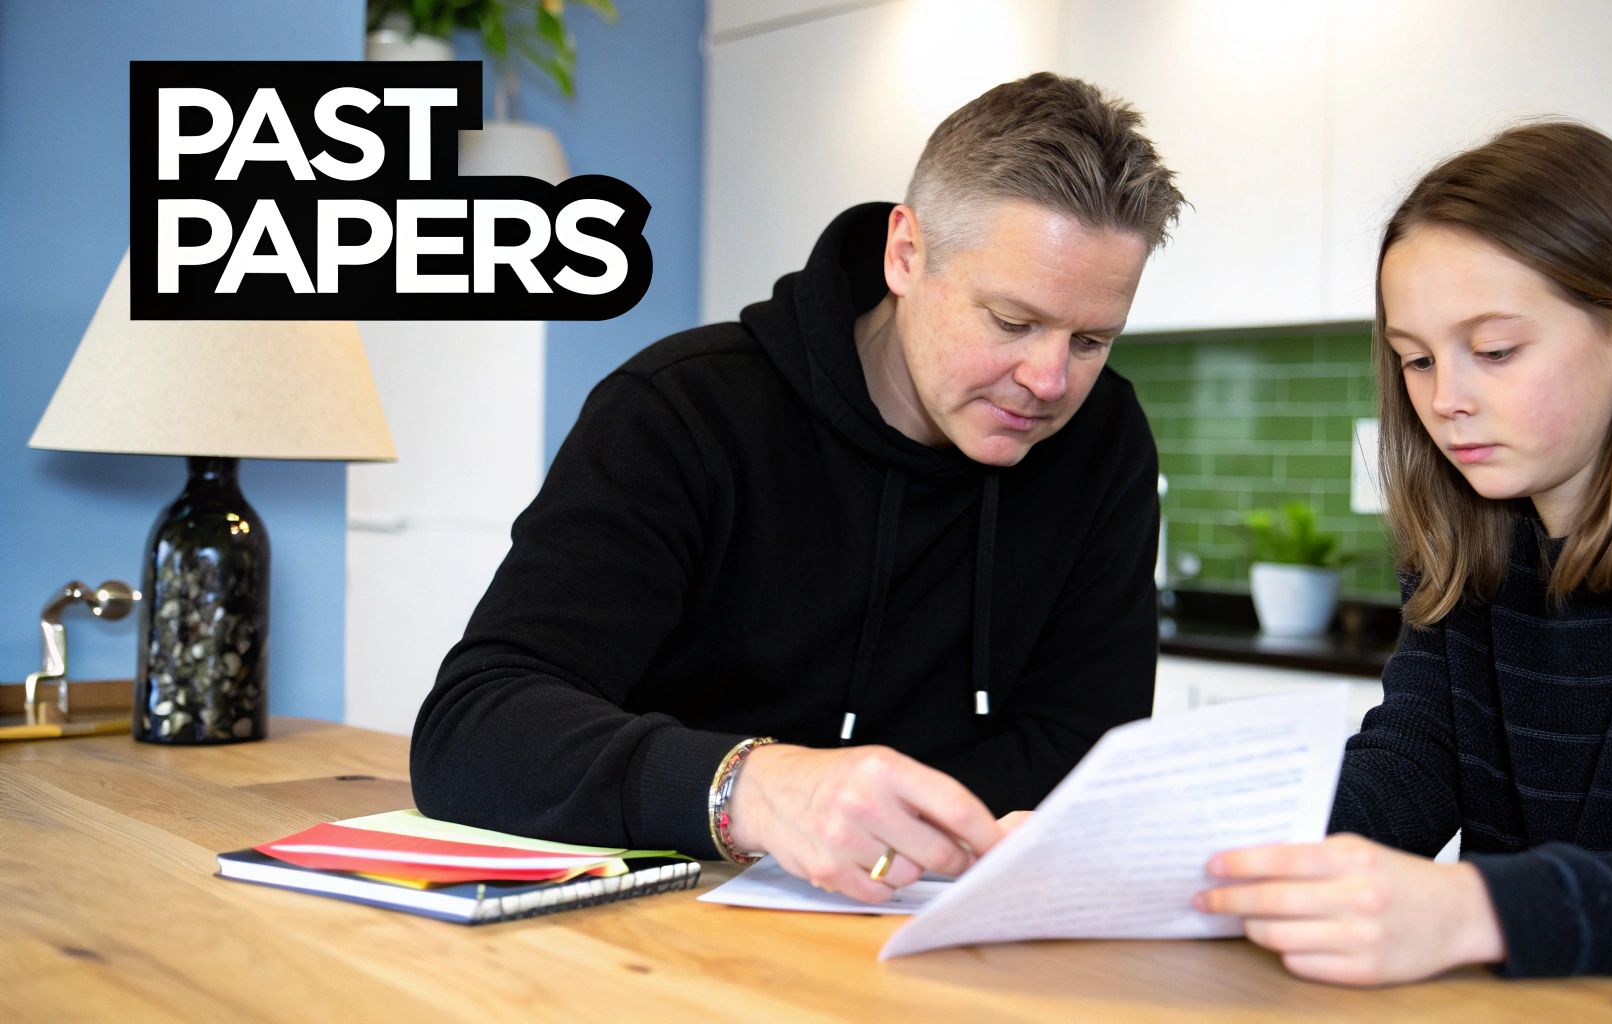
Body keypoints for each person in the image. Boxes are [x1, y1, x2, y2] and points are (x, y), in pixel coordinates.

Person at [412, 73, 1186, 903]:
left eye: (1091, 340)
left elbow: (1085, 752)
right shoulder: (681, 411)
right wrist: (751, 789)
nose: (1049, 380)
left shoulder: (1102, 443)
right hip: (659, 926)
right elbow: (475, 728)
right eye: (1012, 321)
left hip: (940, 924)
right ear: (905, 253)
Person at [1195, 122, 1612, 986]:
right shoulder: (1471, 537)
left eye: (1494, 351)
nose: (1445, 399)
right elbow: (1409, 768)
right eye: (1416, 360)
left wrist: (1474, 908)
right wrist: (1169, 846)